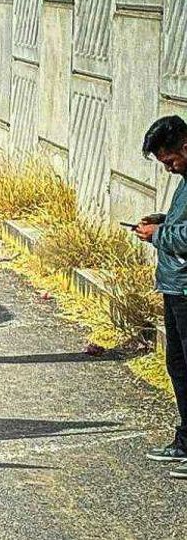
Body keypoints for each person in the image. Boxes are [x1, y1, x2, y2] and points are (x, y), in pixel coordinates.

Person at [136, 115, 187, 479]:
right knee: (178, 366)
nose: (169, 169)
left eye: (170, 161)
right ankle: (185, 440)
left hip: (185, 287)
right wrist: (164, 220)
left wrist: (158, 234)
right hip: (174, 286)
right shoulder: (185, 180)